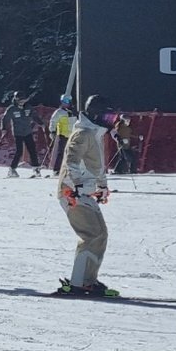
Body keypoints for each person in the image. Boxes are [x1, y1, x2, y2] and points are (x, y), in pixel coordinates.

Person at [55, 95, 116, 296]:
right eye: (108, 117)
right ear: (96, 114)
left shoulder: (93, 133)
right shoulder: (82, 133)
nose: (110, 122)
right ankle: (79, 282)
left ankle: (87, 280)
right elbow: (72, 161)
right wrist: (77, 186)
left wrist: (102, 186)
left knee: (100, 234)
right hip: (72, 192)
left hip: (84, 192)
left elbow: (95, 166)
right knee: (91, 234)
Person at [1, 91, 40, 177]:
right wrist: (3, 128)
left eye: (24, 100)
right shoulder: (11, 109)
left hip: (28, 131)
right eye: (20, 100)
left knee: (32, 150)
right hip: (18, 133)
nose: (22, 102)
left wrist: (41, 123)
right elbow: (5, 119)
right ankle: (12, 169)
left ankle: (36, 169)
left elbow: (34, 116)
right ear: (16, 100)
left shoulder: (28, 107)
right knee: (19, 151)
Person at [48, 95, 73, 171]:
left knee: (73, 153)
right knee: (61, 152)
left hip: (72, 135)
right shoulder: (59, 112)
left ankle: (71, 169)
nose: (65, 103)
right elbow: (53, 121)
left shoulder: (73, 112)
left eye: (67, 101)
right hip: (63, 134)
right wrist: (52, 131)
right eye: (63, 101)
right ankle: (57, 169)